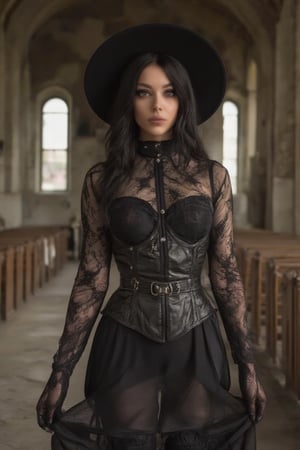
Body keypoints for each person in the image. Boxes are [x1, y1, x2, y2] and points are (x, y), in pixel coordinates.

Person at [36, 23, 266, 450]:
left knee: (193, 441)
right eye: (144, 92)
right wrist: (60, 371)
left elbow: (226, 272)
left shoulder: (213, 177)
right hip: (126, 334)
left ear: (184, 100)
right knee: (128, 442)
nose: (157, 105)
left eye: (169, 92)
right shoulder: (102, 180)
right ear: (129, 100)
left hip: (196, 334)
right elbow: (91, 277)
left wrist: (247, 364)